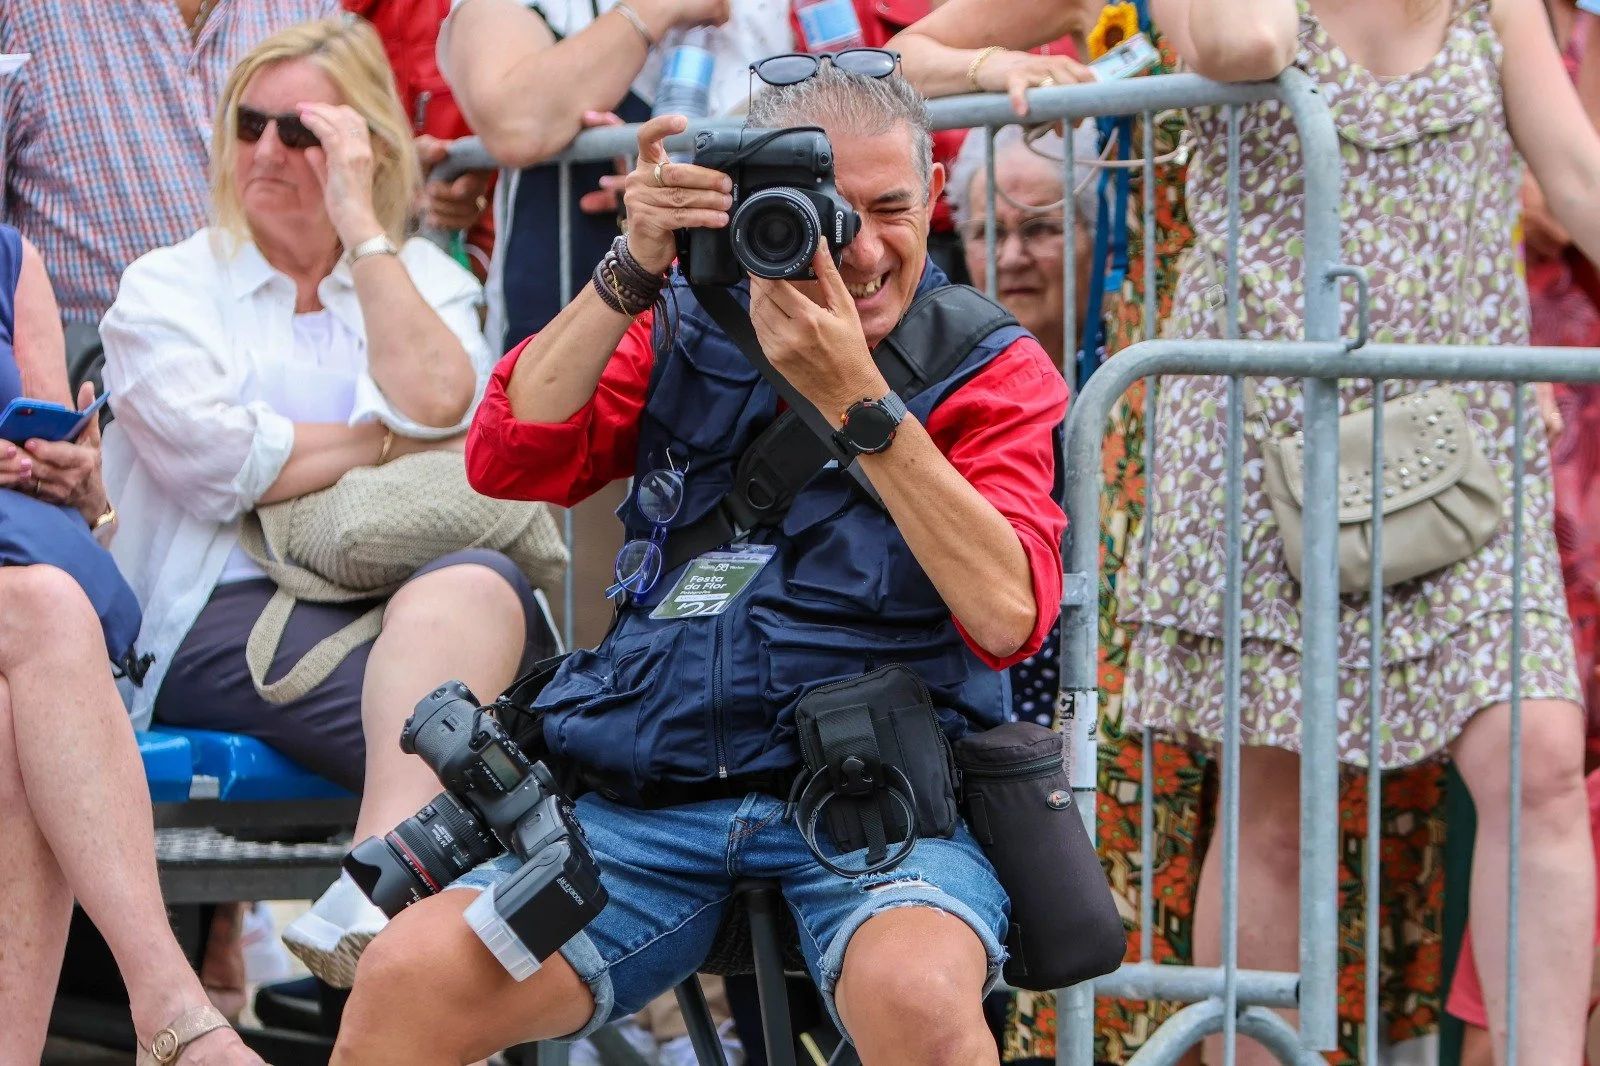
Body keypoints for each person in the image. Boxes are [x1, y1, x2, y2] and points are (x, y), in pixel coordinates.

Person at [329, 60, 1068, 1064]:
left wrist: (860, 400)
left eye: (889, 207)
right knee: (405, 976)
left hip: (875, 815)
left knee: (919, 999)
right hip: (644, 807)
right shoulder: (680, 323)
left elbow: (1005, 613)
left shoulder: (988, 364)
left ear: (935, 195)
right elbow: (509, 453)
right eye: (820, 211)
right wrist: (632, 264)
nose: (854, 246)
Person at [896, 3, 1453, 1064]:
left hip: (1350, 428)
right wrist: (989, 61)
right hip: (1168, 437)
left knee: (1340, 784)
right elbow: (887, 65)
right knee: (1143, 791)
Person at [1112, 0, 1600, 1062]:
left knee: (1539, 759)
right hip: (1271, 431)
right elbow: (1247, 47)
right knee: (1275, 806)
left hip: (1458, 439)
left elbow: (1578, 178)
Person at [98, 16, 550, 992]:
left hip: (408, 601)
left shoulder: (419, 276)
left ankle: (375, 896)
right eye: (249, 124)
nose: (266, 151)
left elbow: (450, 412)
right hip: (214, 611)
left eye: (302, 132)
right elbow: (224, 465)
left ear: (364, 146)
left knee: (480, 576)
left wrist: (362, 227)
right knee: (494, 757)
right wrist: (386, 442)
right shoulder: (168, 286)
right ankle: (420, 978)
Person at [0, 223, 269, 1063]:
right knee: (44, 611)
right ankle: (173, 1009)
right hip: (28, 609)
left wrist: (79, 488)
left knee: (14, 715)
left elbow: (76, 518)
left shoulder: (11, 257)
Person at [0, 0, 342, 324]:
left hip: (305, 342)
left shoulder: (308, 8)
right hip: (100, 366)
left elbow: (364, 191)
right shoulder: (24, 13)